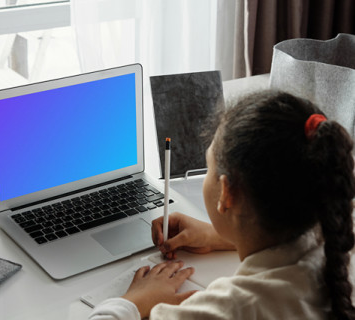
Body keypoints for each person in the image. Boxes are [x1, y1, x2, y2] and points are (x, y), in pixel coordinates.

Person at [89, 90, 355, 320]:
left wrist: (135, 301)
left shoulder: (230, 308)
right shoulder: (340, 245)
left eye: (209, 167)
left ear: (227, 192)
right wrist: (223, 236)